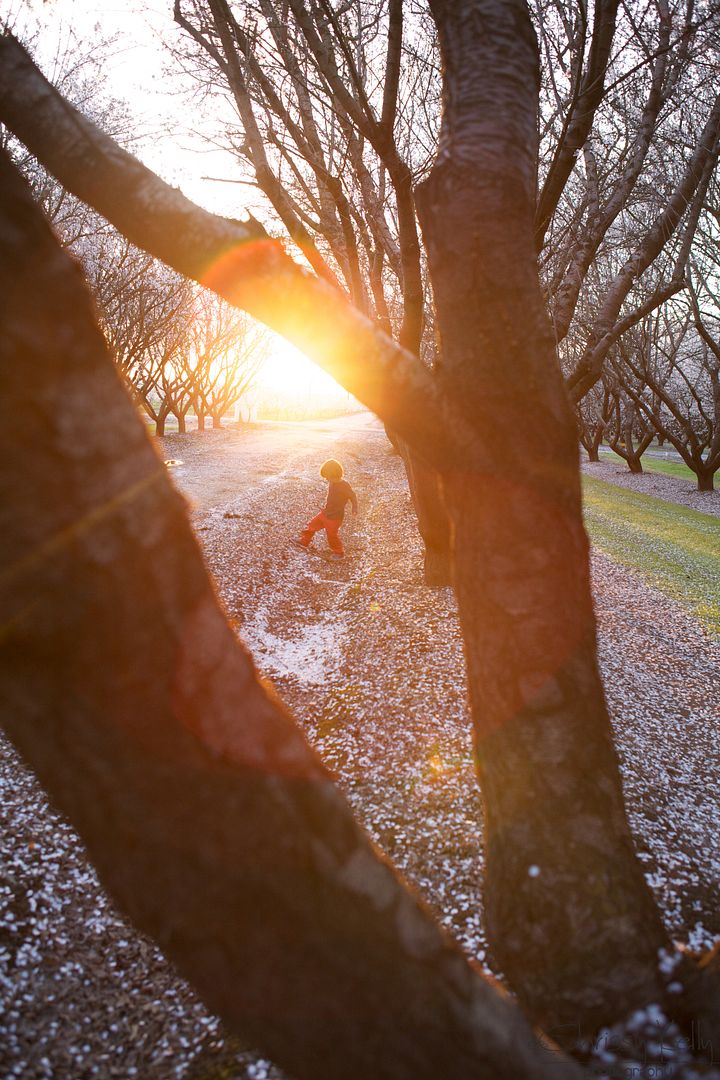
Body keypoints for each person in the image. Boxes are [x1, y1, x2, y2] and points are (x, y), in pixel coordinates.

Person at [294, 459, 358, 559]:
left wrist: (354, 508)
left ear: (335, 474)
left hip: (335, 517)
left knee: (332, 535)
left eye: (328, 477)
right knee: (312, 525)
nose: (327, 480)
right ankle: (304, 541)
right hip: (325, 512)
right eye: (326, 478)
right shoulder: (332, 482)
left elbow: (353, 496)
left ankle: (339, 552)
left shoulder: (344, 486)